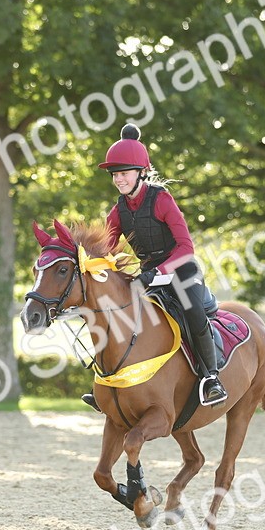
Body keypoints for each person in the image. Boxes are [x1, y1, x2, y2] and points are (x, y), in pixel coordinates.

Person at [81, 124, 228, 411]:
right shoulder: (118, 210)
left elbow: (187, 247)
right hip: (147, 274)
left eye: (124, 173)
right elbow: (107, 251)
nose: (118, 179)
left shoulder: (161, 199)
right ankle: (107, 383)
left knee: (193, 313)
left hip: (180, 270)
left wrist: (159, 273)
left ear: (141, 172)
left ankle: (211, 378)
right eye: (115, 175)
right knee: (113, 312)